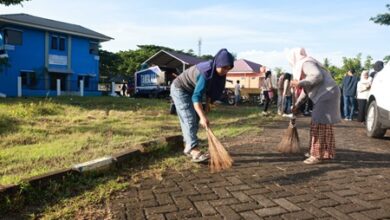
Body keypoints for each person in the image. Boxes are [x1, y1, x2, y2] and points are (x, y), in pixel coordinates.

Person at [170, 48, 234, 163]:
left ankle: (188, 146)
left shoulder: (219, 74)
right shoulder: (206, 72)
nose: (226, 71)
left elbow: (211, 89)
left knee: (195, 120)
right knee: (189, 118)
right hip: (180, 88)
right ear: (218, 63)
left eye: (229, 68)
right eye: (224, 67)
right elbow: (196, 97)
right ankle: (194, 150)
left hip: (192, 90)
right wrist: (203, 117)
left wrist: (208, 105)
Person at [288, 48, 341, 165]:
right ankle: (324, 152)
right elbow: (307, 90)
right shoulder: (307, 63)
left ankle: (317, 155)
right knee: (323, 124)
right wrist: (297, 105)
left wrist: (299, 83)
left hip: (326, 94)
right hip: (328, 93)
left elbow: (317, 76)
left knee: (318, 123)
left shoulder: (306, 63)